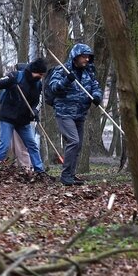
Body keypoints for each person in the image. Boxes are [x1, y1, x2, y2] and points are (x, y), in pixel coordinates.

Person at [47, 43, 102, 186]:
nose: (87, 60)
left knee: (78, 145)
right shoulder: (62, 70)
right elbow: (53, 87)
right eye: (84, 57)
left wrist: (97, 96)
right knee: (74, 141)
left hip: (80, 114)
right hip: (64, 113)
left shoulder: (88, 72)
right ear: (76, 57)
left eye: (88, 57)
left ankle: (71, 175)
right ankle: (65, 176)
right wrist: (67, 80)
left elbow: (95, 86)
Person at [0, 58, 50, 177]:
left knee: (32, 145)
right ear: (34, 71)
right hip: (7, 117)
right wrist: (9, 82)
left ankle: (39, 170)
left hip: (23, 120)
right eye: (40, 74)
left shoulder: (38, 84)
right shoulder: (15, 76)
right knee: (4, 144)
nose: (41, 77)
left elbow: (38, 101)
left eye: (42, 75)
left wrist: (34, 111)